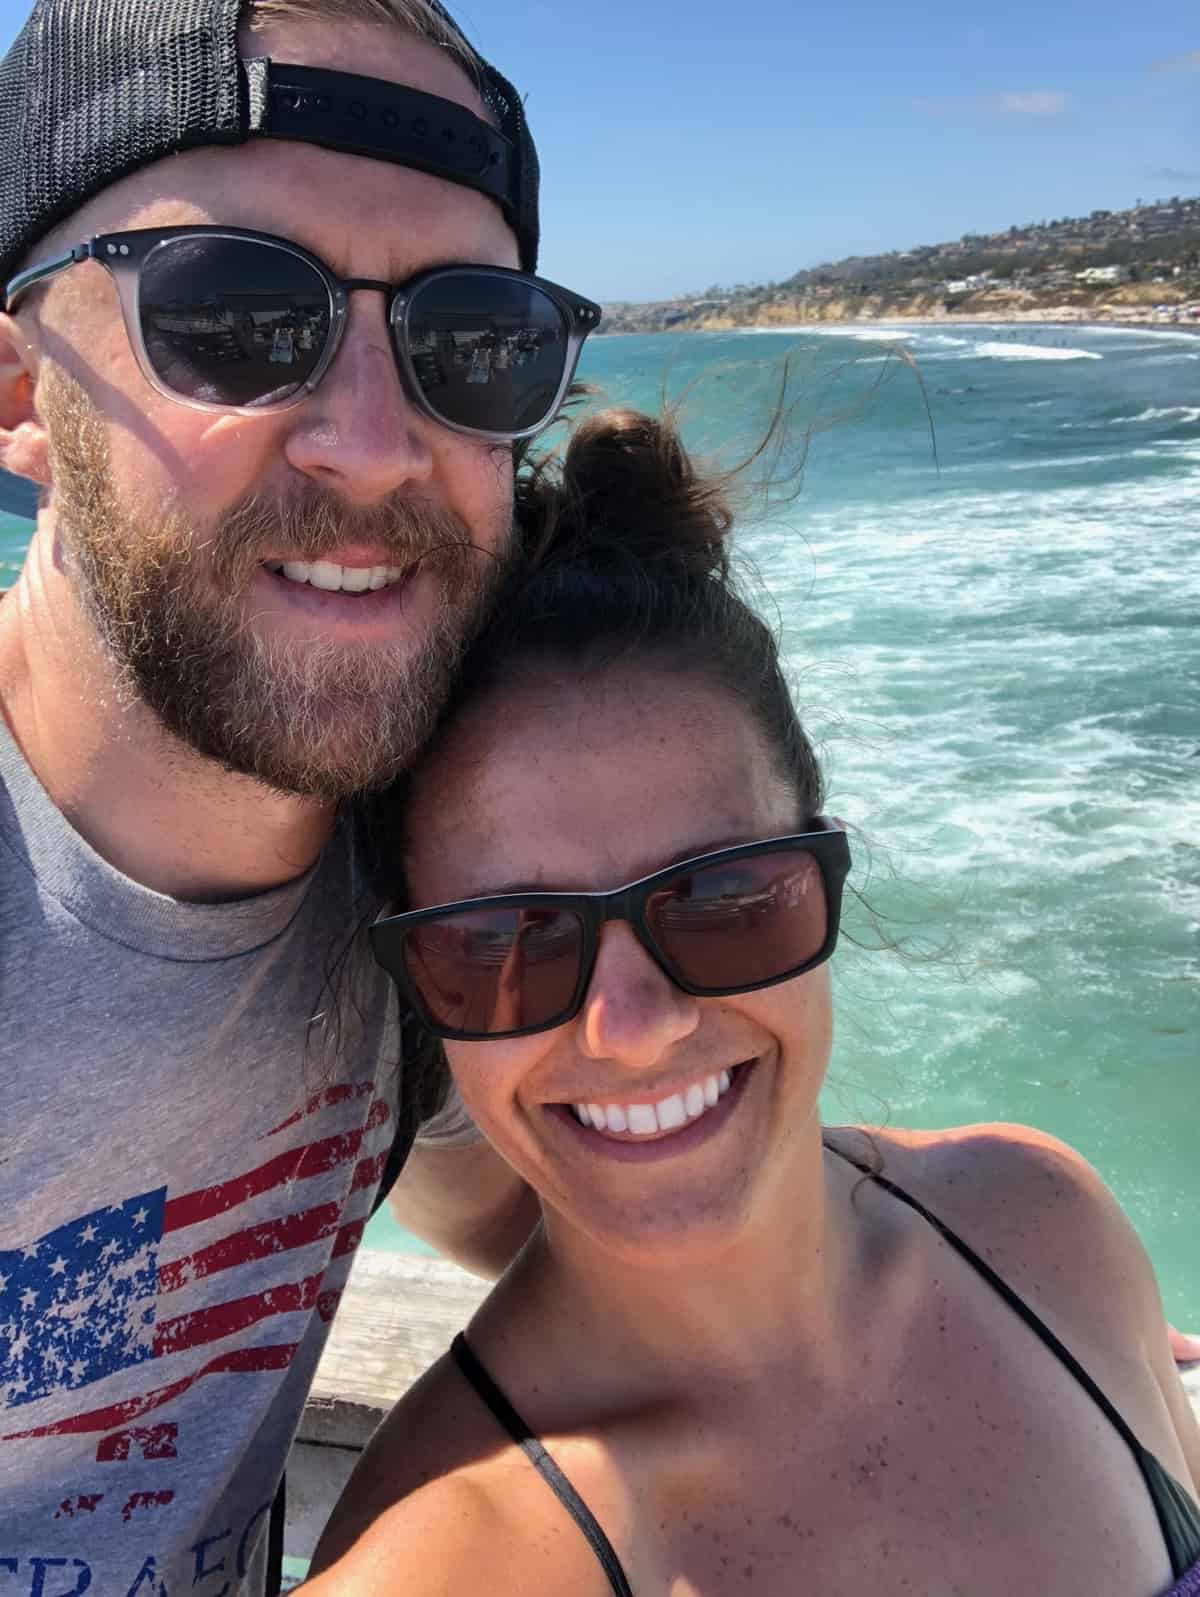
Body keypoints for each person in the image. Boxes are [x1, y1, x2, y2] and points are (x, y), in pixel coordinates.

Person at [304, 407, 1200, 1596]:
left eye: (724, 899)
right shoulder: (445, 1565)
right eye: (506, 943)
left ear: (825, 862)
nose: (637, 1023)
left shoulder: (1047, 1228)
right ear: (418, 993)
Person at [0, 0, 601, 1589]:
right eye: (242, 314)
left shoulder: (421, 868)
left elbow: (522, 1180)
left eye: (471, 339)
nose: (372, 444)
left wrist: (920, 1236)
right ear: (16, 392)